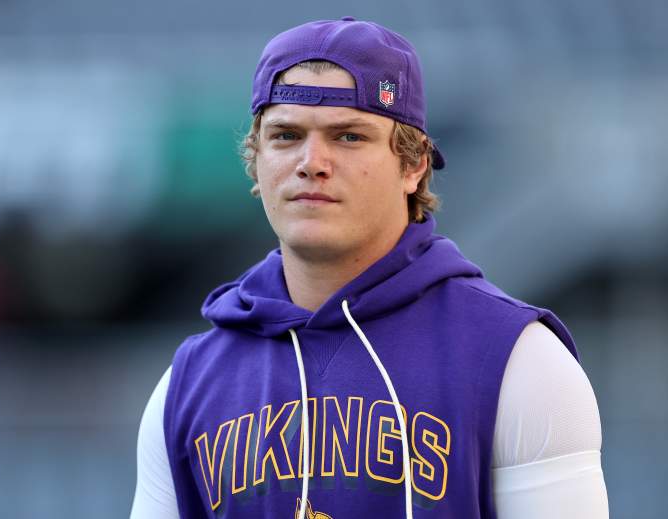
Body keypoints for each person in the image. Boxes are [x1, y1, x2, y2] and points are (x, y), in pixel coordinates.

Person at [130, 17, 608, 519]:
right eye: (286, 135)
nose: (311, 162)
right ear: (257, 159)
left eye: (349, 137)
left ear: (413, 165)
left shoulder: (519, 360)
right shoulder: (187, 384)